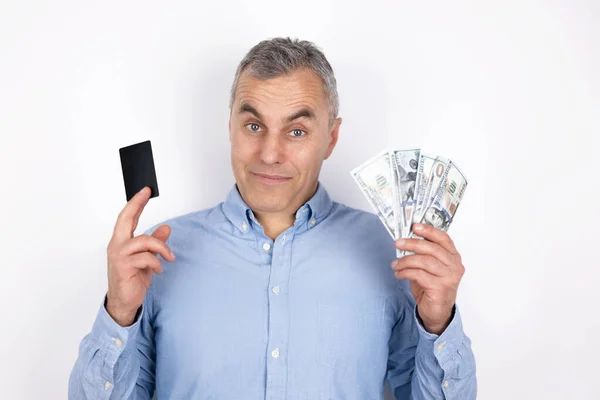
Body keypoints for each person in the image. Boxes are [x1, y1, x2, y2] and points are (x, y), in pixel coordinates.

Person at [68, 37, 477, 400]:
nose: (269, 154)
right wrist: (119, 313)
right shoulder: (158, 254)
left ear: (330, 138)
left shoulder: (393, 252)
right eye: (253, 125)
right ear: (230, 127)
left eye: (296, 132)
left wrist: (438, 322)